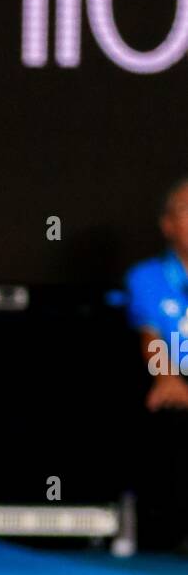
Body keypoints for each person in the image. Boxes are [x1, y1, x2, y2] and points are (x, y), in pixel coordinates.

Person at [123, 178, 188, 547]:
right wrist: (167, 377)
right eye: (187, 209)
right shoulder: (146, 277)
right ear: (167, 225)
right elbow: (149, 336)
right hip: (173, 378)